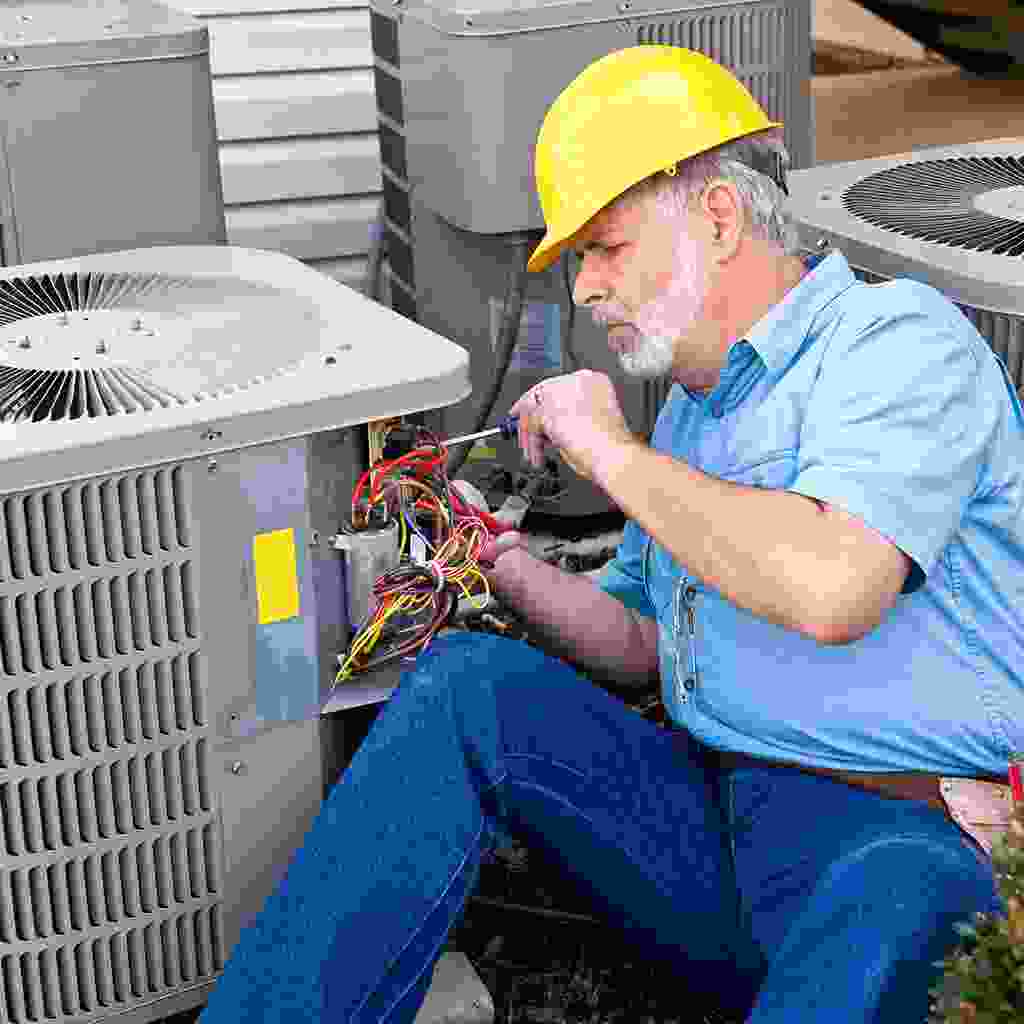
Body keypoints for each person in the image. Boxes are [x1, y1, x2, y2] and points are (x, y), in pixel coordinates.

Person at [199, 46, 1023, 1024]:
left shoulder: (897, 344)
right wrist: (505, 567)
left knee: (899, 897)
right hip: (722, 828)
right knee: (469, 688)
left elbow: (835, 585)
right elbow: (642, 645)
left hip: (899, 832)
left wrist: (609, 451)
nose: (585, 289)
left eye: (606, 247)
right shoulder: (691, 419)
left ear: (720, 218)